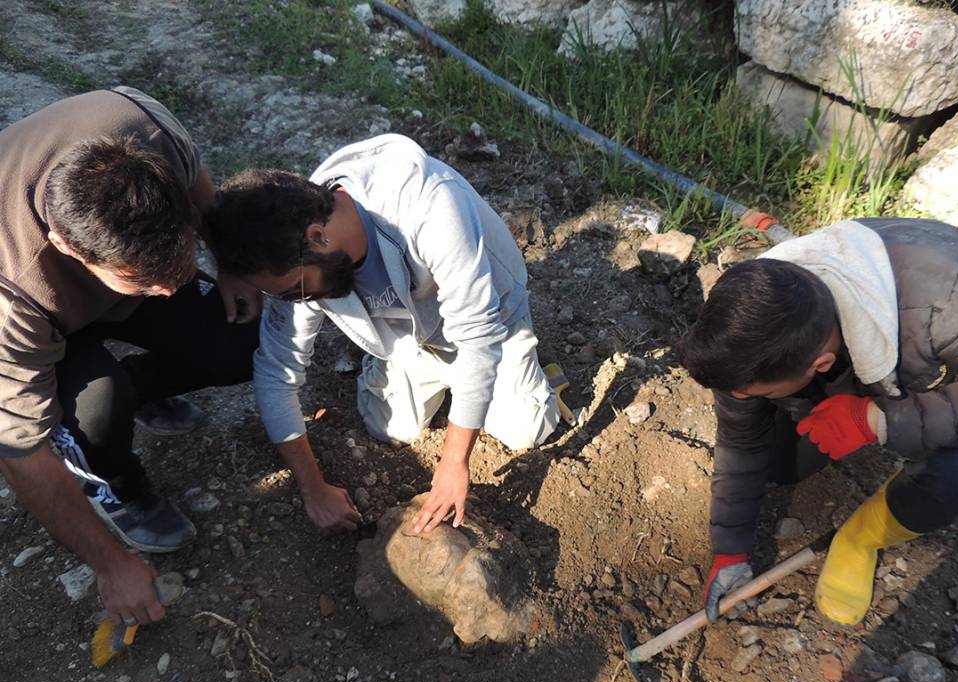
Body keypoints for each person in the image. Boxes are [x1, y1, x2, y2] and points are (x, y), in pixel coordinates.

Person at [676, 217, 958, 626]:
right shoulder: (748, 313)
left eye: (755, 391)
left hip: (941, 367)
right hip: (855, 355)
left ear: (820, 363)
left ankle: (860, 539)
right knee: (781, 464)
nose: (737, 399)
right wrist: (730, 550)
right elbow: (742, 439)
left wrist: (878, 420)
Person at [205, 134, 560, 534]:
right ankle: (398, 364)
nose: (292, 302)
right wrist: (313, 488)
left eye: (294, 291)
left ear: (318, 238)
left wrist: (453, 463)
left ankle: (535, 373)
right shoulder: (287, 244)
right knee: (387, 428)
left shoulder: (428, 206)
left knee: (527, 430)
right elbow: (276, 373)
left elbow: (478, 337)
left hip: (492, 319)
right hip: (408, 335)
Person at [0, 87, 261, 626]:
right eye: (145, 279)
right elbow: (18, 449)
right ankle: (119, 482)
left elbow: (200, 194)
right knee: (98, 404)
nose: (171, 287)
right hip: (43, 312)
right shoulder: (11, 299)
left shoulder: (143, 128)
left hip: (110, 273)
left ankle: (138, 389)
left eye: (180, 255)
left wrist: (228, 263)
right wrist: (110, 565)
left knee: (240, 339)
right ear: (70, 249)